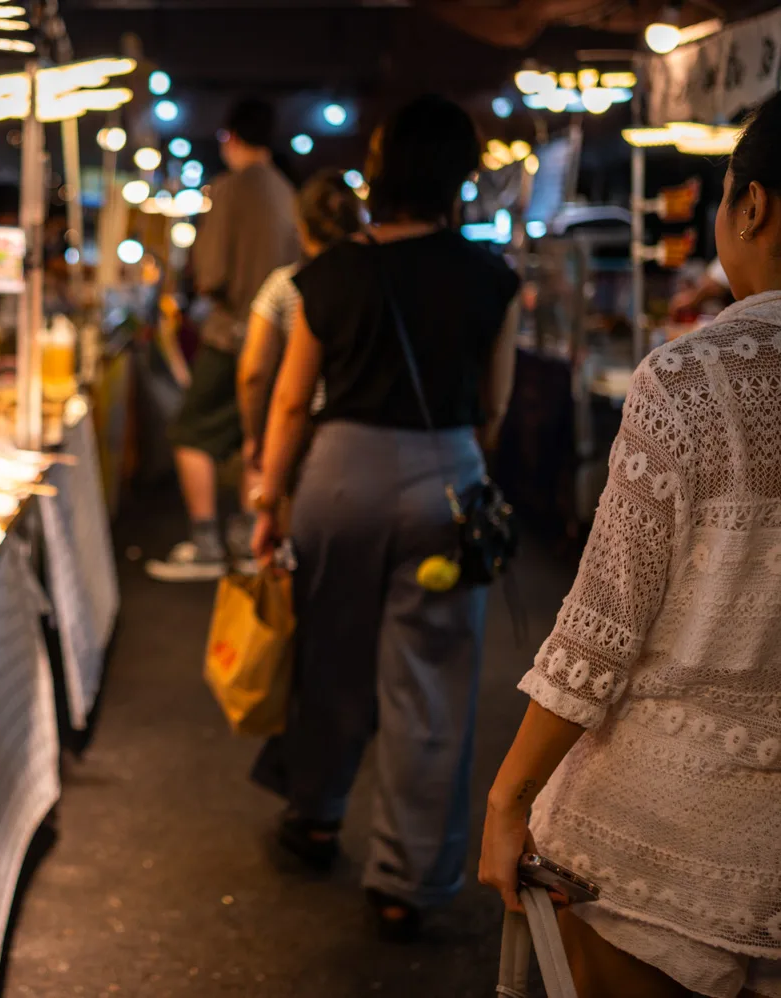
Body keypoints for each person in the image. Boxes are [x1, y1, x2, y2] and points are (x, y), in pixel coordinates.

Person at [481, 92, 781, 998]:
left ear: (752, 206)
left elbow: (602, 629)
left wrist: (508, 797)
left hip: (660, 843)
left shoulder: (695, 378)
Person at [248, 95, 520, 939]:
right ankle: (407, 876)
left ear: (383, 167)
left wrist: (268, 502)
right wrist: (447, 461)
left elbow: (292, 404)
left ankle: (318, 816)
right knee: (430, 683)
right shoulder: (491, 276)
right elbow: (495, 406)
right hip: (444, 477)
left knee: (328, 657)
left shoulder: (328, 274)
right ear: (459, 178)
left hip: (338, 479)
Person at [146, 97, 301, 582]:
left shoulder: (230, 189)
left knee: (190, 433)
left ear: (231, 138)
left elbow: (210, 273)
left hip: (232, 335)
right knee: (256, 440)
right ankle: (248, 540)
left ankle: (207, 543)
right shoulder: (286, 191)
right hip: (281, 339)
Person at [236, 170, 363, 489]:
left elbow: (254, 372)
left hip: (301, 434)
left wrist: (255, 437)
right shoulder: (373, 286)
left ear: (302, 227)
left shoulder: (285, 285)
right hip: (364, 437)